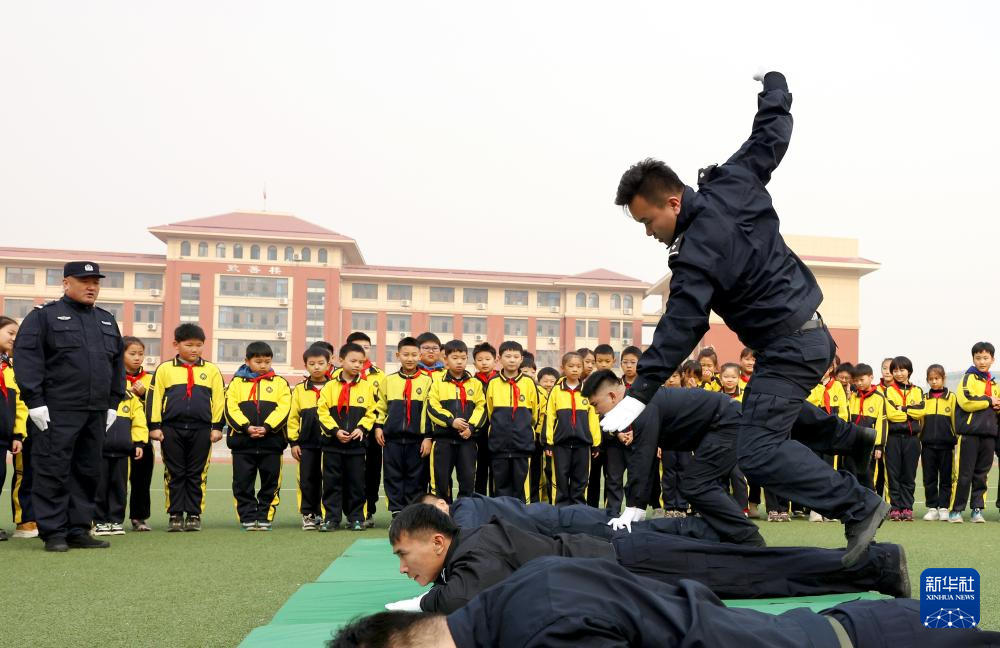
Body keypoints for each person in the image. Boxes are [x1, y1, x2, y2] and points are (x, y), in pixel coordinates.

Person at [604, 70, 889, 566]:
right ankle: (851, 438)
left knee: (755, 449)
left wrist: (641, 391)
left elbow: (682, 325)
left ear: (673, 202)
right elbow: (770, 136)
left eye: (649, 221)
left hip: (788, 349)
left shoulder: (694, 255)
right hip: (810, 336)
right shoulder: (733, 180)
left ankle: (859, 506)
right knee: (756, 412)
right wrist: (775, 88)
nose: (648, 232)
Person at [334, 556, 995, 648]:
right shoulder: (512, 593)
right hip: (840, 626)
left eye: (405, 552)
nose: (404, 566)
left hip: (856, 639)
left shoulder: (530, 628)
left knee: (781, 568)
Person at [384, 503, 909, 616]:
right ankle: (875, 567)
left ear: (435, 541)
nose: (403, 566)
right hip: (628, 562)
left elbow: (461, 598)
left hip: (633, 560)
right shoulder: (471, 551)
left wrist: (417, 602)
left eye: (404, 554)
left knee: (755, 574)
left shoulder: (477, 547)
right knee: (751, 576)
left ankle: (878, 565)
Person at [14, 261, 125, 551]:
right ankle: (54, 532)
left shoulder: (106, 320)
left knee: (88, 471)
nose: (91, 287)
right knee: (53, 469)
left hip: (96, 410)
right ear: (66, 283)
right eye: (84, 281)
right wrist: (34, 401)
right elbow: (28, 359)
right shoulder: (44, 317)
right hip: (56, 410)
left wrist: (113, 402)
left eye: (96, 282)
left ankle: (78, 529)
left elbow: (116, 366)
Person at [584, 369, 764, 546]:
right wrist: (637, 506)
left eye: (595, 405)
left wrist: (632, 508)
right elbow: (645, 460)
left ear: (612, 396)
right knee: (698, 484)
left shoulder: (641, 405)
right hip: (719, 425)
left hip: (727, 422)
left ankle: (749, 539)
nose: (597, 412)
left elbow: (642, 459)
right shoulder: (637, 401)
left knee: (696, 484)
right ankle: (732, 535)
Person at [147, 323, 225, 532]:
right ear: (176, 344)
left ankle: (193, 514)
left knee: (197, 473)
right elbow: (154, 399)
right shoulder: (164, 369)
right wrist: (154, 426)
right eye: (189, 345)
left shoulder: (211, 371)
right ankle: (175, 514)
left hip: (202, 429)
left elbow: (219, 399)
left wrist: (217, 426)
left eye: (199, 345)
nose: (194, 350)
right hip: (171, 428)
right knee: (175, 472)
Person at [224, 341, 291, 531]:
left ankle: (264, 516)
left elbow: (284, 408)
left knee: (270, 482)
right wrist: (246, 427)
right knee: (242, 483)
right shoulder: (236, 384)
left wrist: (268, 427)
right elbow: (230, 408)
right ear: (247, 361)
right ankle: (247, 516)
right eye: (258, 361)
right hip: (242, 444)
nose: (263, 365)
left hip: (272, 443)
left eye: (267, 362)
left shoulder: (280, 383)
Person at [318, 342, 378, 531]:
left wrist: (362, 428)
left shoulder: (367, 387)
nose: (357, 365)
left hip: (356, 446)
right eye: (353, 361)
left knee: (356, 483)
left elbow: (372, 411)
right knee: (331, 483)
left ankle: (356, 518)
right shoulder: (329, 387)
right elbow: (322, 412)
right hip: (332, 444)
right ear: (340, 360)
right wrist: (335, 431)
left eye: (361, 362)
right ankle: (331, 518)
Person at [374, 337, 434, 517]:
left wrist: (428, 437)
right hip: (392, 439)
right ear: (397, 355)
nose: (410, 358)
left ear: (420, 356)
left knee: (417, 478)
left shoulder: (427, 381)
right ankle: (397, 512)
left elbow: (431, 411)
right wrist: (378, 426)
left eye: (414, 355)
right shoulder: (388, 380)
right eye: (406, 355)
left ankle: (413, 512)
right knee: (393, 476)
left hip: (417, 440)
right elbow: (381, 406)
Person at [424, 340, 486, 502]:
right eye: (455, 358)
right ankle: (443, 514)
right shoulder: (437, 382)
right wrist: (451, 421)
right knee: (441, 480)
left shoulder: (475, 384)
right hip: (443, 440)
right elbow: (432, 407)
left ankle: (464, 514)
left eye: (463, 358)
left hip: (467, 440)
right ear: (445, 360)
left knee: (467, 480)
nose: (459, 362)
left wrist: (471, 428)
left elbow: (482, 407)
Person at [950, 341, 1000, 523]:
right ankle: (956, 510)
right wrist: (988, 401)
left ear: (992, 359)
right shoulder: (967, 378)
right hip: (969, 434)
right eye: (978, 358)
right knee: (964, 473)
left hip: (989, 435)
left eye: (985, 358)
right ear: (973, 359)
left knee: (982, 474)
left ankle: (977, 509)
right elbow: (966, 401)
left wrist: (996, 404)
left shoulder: (994, 383)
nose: (982, 361)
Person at [93, 371, 147, 536]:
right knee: (99, 488)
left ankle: (115, 521)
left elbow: (139, 423)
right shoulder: (98, 399)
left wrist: (138, 443)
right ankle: (100, 522)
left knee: (120, 488)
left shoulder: (131, 400)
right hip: (99, 454)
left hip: (123, 455)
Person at [484, 341, 538, 502]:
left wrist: (524, 430)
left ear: (522, 359)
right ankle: (501, 518)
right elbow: (490, 411)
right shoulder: (493, 383)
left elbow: (535, 412)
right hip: (499, 444)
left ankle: (522, 519)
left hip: (522, 445)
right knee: (500, 486)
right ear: (499, 359)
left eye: (516, 356)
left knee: (521, 487)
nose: (512, 360)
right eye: (508, 356)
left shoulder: (529, 383)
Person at [544, 352, 601, 506]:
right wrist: (548, 442)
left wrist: (596, 443)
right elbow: (549, 417)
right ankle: (560, 510)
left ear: (582, 369)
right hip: (561, 445)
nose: (575, 369)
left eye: (578, 366)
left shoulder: (588, 390)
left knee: (581, 480)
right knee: (560, 479)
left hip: (583, 445)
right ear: (563, 368)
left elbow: (593, 418)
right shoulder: (556, 391)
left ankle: (579, 510)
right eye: (571, 366)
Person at [288, 344, 331, 530]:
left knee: (329, 479)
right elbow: (293, 417)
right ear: (305, 365)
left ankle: (326, 514)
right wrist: (294, 442)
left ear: (329, 364)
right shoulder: (299, 390)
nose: (317, 367)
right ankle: (309, 514)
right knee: (307, 479)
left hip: (331, 444)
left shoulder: (335, 387)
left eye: (321, 363)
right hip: (307, 444)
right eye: (312, 363)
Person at [344, 331, 385, 529]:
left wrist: (377, 427)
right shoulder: (337, 376)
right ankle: (349, 511)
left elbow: (382, 405)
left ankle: (368, 511)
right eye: (357, 347)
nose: (362, 351)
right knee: (349, 474)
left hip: (372, 432)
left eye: (366, 347)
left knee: (372, 473)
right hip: (346, 433)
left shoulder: (379, 375)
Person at [0, 316, 35, 539]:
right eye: (10, 333)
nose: (14, 338)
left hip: (3, 436)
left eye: (16, 334)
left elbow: (20, 406)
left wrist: (17, 434)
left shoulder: (12, 369)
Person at [909, 364, 956, 521]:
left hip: (947, 445)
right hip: (927, 445)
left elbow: (955, 421)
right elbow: (919, 419)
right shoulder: (924, 398)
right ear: (927, 380)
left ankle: (943, 507)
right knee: (929, 478)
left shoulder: (952, 398)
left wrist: (954, 437)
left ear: (944, 379)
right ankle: (932, 508)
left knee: (945, 477)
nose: (934, 382)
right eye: (931, 379)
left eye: (937, 378)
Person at [883, 355, 924, 522]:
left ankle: (907, 507)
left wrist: (904, 408)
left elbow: (921, 411)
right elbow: (892, 415)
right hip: (893, 438)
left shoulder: (918, 390)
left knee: (909, 474)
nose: (899, 373)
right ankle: (895, 507)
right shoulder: (889, 391)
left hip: (912, 439)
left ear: (909, 371)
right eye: (895, 370)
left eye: (902, 369)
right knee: (893, 474)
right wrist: (909, 413)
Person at [604, 346, 642, 515]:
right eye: (625, 362)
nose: (628, 366)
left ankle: (632, 513)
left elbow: (649, 414)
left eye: (633, 362)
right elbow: (605, 412)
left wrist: (636, 433)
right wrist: (617, 433)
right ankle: (612, 512)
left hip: (638, 440)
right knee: (613, 479)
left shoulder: (645, 387)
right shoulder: (614, 386)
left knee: (635, 478)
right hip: (615, 440)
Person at [122, 337, 154, 532]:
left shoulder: (150, 379)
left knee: (141, 479)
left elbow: (158, 406)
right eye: (132, 353)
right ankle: (111, 516)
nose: (137, 358)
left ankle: (139, 517)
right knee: (114, 479)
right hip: (117, 437)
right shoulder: (112, 377)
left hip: (142, 438)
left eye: (140, 354)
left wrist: (144, 395)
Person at [849, 364, 888, 496]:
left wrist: (879, 446)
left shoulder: (879, 397)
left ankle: (871, 505)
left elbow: (881, 423)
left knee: (868, 476)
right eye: (856, 380)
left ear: (871, 377)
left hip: (869, 445)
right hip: (852, 443)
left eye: (862, 380)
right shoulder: (853, 396)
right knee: (852, 475)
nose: (859, 383)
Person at [471, 343, 497, 496]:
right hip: (477, 433)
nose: (484, 362)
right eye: (480, 360)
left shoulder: (501, 380)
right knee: (479, 470)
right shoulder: (472, 382)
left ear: (495, 360)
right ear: (474, 363)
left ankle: (495, 502)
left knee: (496, 470)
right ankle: (479, 501)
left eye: (488, 359)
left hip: (497, 432)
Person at [533, 367, 559, 504]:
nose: (549, 384)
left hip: (553, 438)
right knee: (536, 470)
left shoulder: (558, 394)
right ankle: (536, 499)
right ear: (539, 381)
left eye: (552, 381)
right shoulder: (537, 393)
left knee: (550, 470)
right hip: (537, 437)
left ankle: (550, 499)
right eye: (545, 381)